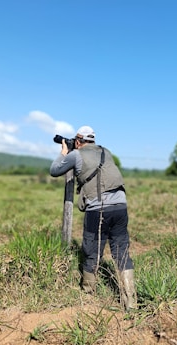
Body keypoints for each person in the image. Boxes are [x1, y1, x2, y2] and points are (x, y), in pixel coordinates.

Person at [50, 125, 137, 310]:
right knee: (121, 251)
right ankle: (131, 301)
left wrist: (65, 152)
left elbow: (55, 170)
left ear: (79, 140)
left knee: (92, 250)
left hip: (98, 209)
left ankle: (88, 294)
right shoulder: (106, 152)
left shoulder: (75, 155)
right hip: (121, 206)